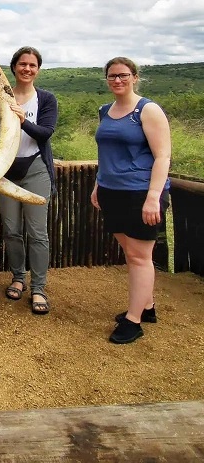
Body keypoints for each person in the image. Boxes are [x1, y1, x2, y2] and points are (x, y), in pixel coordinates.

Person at [91, 57, 171, 344]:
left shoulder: (147, 110)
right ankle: (146, 307)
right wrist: (98, 184)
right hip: (112, 191)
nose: (117, 80)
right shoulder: (105, 111)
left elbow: (162, 156)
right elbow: (105, 154)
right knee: (131, 252)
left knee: (139, 257)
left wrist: (153, 198)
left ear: (135, 77)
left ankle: (133, 321)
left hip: (140, 192)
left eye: (123, 75)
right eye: (112, 76)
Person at [0, 46, 58, 315]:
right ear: (14, 67)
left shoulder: (46, 99)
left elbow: (45, 132)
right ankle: (18, 277)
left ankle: (38, 287)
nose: (27, 69)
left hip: (36, 169)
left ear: (37, 70)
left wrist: (20, 119)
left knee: (37, 232)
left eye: (33, 65)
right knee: (11, 229)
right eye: (22, 64)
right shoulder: (1, 98)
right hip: (6, 169)